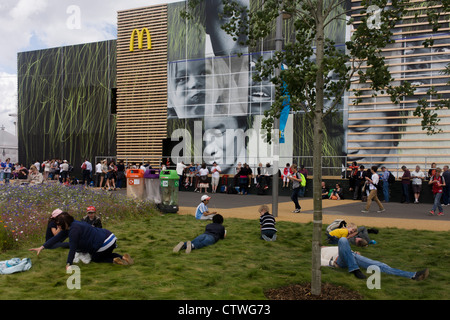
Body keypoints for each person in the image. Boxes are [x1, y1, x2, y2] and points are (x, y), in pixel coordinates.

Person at [29, 212, 133, 268]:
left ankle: (113, 260)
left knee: (96, 259)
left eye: (59, 225)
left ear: (64, 223)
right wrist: (42, 247)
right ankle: (122, 257)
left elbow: (72, 248)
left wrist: (69, 264)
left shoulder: (74, 231)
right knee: (102, 253)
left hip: (103, 243)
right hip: (110, 237)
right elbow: (57, 237)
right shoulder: (74, 224)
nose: (59, 227)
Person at [321, 237, 429, 281]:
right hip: (339, 260)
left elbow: (344, 248)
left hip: (352, 256)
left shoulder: (330, 247)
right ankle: (354, 270)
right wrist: (331, 263)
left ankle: (413, 275)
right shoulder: (318, 252)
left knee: (380, 266)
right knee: (343, 239)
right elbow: (320, 261)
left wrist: (353, 252)